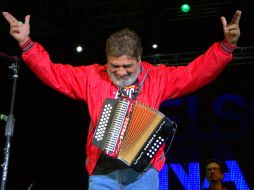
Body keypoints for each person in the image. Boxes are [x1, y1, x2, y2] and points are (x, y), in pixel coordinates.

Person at [2, 10, 241, 190]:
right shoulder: (92, 76)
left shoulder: (156, 77)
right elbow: (53, 72)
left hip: (142, 174)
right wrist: (26, 43)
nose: (121, 72)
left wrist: (226, 47)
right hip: (101, 174)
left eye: (127, 66)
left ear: (140, 58)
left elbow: (195, 73)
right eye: (114, 66)